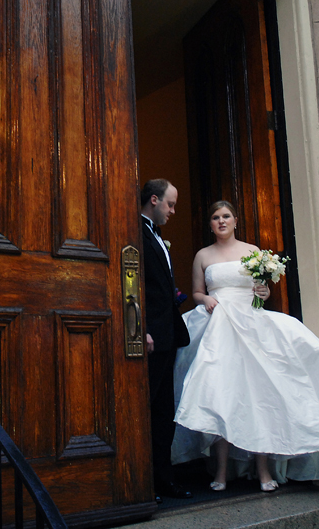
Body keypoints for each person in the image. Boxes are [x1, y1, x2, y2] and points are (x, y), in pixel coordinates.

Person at [172, 200, 319, 492]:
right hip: (218, 327)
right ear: (210, 223)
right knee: (221, 396)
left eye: (226, 216)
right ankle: (220, 472)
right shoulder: (202, 255)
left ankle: (264, 470)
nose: (221, 221)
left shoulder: (253, 251)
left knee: (260, 397)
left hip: (252, 326)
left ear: (235, 220)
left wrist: (264, 291)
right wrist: (204, 299)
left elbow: (262, 291)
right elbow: (196, 291)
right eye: (216, 217)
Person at [140, 179, 193, 500]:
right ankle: (142, 483)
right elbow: (134, 281)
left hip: (168, 335)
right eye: (170, 205)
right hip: (149, 336)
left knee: (164, 411)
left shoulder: (156, 235)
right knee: (146, 408)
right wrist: (141, 327)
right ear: (155, 200)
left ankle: (165, 479)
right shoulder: (134, 231)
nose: (173, 211)